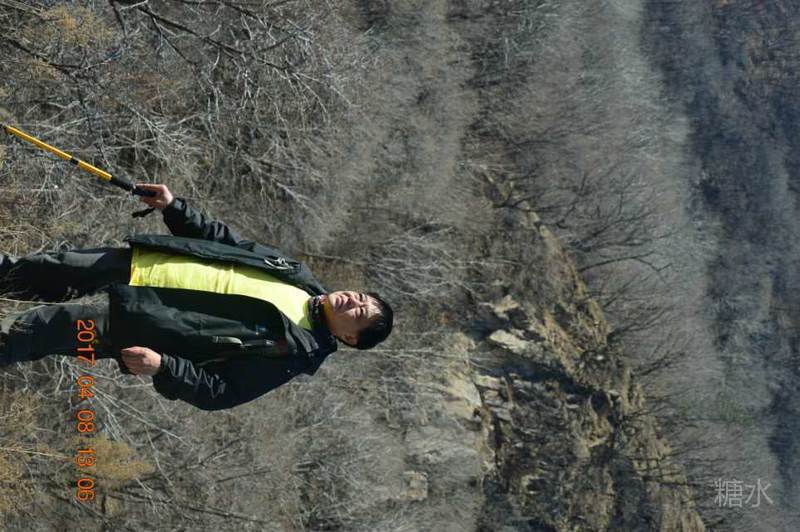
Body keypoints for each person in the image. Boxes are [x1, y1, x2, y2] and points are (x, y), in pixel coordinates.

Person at [0, 184, 393, 410]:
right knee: (26, 272)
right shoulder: (299, 275)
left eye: (360, 314)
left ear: (349, 338)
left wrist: (163, 367)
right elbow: (226, 244)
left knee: (33, 330)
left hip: (133, 324)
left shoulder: (293, 353)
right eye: (360, 297)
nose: (353, 302)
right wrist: (174, 208)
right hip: (135, 267)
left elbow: (220, 392)